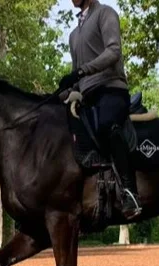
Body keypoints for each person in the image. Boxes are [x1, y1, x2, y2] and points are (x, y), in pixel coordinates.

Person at [59, 0, 141, 219]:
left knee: (107, 125)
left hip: (111, 90)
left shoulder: (106, 14)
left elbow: (114, 51)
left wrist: (82, 71)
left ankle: (129, 192)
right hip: (87, 97)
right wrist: (65, 91)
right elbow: (76, 74)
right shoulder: (73, 35)